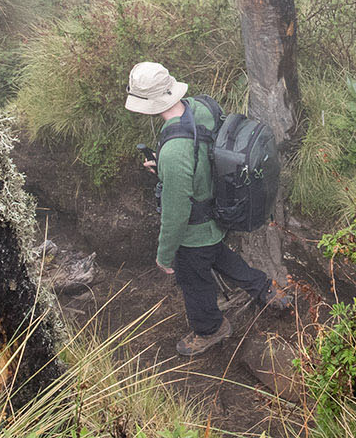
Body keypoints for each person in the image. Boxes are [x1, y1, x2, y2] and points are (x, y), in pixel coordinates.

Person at [124, 60, 290, 355]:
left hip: (194, 231)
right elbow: (203, 158)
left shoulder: (174, 154)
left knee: (194, 282)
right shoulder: (200, 107)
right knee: (220, 256)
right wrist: (166, 170)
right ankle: (265, 288)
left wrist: (164, 256)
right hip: (220, 212)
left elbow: (176, 214)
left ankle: (211, 328)